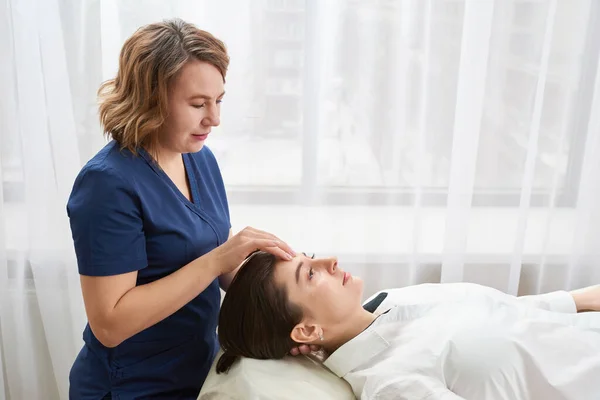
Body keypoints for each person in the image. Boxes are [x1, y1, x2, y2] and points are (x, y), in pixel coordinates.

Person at [66, 19, 296, 400]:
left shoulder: (199, 158)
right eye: (197, 104)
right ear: (151, 98)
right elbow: (110, 323)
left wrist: (289, 311)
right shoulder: (107, 184)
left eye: (218, 100)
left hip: (196, 367)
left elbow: (215, 263)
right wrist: (220, 258)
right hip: (133, 385)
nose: (214, 118)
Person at [216, 251, 600, 400]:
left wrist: (582, 299)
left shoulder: (397, 299)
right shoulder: (391, 382)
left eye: (312, 258)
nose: (330, 261)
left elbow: (522, 310)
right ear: (306, 331)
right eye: (311, 275)